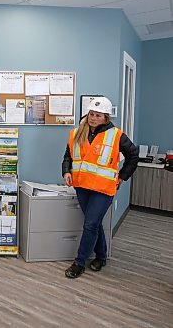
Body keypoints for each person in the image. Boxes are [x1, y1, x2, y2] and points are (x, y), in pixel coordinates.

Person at [62, 96, 138, 278]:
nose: (93, 118)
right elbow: (68, 156)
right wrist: (66, 172)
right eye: (91, 114)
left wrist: (122, 177)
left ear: (106, 118)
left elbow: (133, 155)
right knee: (93, 223)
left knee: (90, 224)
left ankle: (79, 262)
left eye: (98, 115)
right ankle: (101, 256)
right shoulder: (76, 133)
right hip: (81, 186)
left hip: (103, 189)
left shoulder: (116, 135)